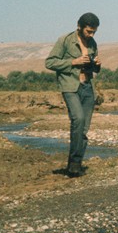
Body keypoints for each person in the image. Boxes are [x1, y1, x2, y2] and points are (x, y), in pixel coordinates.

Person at [45, 12, 101, 177]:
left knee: (83, 129)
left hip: (88, 87)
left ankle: (75, 165)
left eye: (94, 32)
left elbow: (93, 69)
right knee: (78, 119)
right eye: (88, 31)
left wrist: (97, 65)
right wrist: (73, 62)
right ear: (79, 26)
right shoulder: (65, 40)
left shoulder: (93, 43)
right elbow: (49, 62)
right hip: (70, 87)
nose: (91, 35)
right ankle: (74, 164)